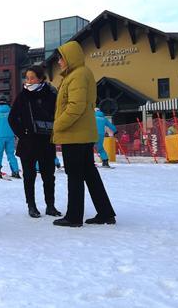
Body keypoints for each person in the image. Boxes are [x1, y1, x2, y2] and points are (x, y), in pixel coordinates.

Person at [52, 41, 116, 227]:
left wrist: (57, 125)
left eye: (61, 57)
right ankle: (105, 212)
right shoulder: (78, 74)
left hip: (75, 134)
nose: (58, 61)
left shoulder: (77, 75)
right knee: (89, 173)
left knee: (75, 174)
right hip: (81, 134)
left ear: (69, 57)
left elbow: (76, 106)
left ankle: (73, 216)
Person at [9, 65, 61, 218]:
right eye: (27, 78)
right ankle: (31, 205)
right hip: (28, 143)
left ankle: (50, 205)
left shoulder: (51, 95)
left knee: (48, 175)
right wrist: (22, 134)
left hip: (46, 141)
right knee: (29, 175)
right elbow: (12, 118)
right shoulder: (23, 96)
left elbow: (58, 115)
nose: (29, 80)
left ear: (40, 78)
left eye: (32, 78)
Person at [0, 95, 20, 178]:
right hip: (10, 136)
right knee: (11, 154)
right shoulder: (10, 111)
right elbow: (15, 123)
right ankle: (15, 171)